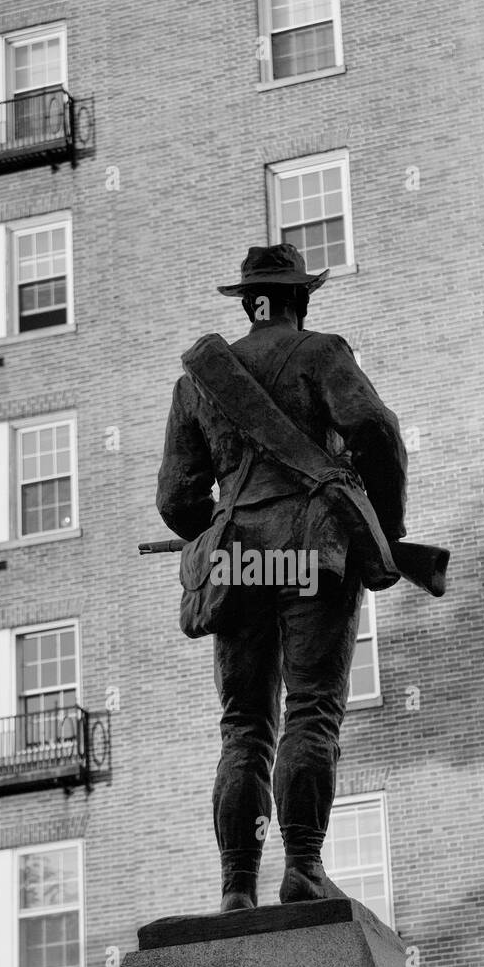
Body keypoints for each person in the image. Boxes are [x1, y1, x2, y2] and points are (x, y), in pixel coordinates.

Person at [156, 244, 407, 911]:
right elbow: (377, 433)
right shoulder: (322, 354)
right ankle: (302, 868)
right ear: (301, 299)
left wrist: (228, 523)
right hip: (311, 553)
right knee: (312, 711)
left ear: (247, 302)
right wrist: (385, 529)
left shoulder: (198, 380)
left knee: (243, 727)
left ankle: (237, 887)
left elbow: (177, 502)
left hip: (238, 560)